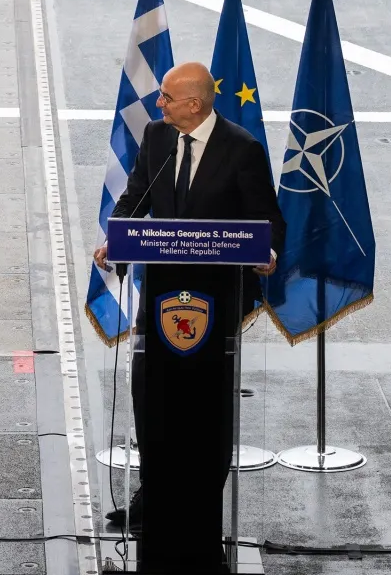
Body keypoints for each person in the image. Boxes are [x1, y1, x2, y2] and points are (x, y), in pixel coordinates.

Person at [93, 60, 285, 533]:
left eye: (166, 97)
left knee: (203, 402)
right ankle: (152, 496)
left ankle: (201, 501)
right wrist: (117, 239)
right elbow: (136, 196)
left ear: (194, 105)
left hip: (215, 301)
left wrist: (269, 251)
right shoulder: (158, 138)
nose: (159, 104)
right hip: (160, 292)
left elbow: (267, 218)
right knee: (151, 393)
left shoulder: (242, 150)